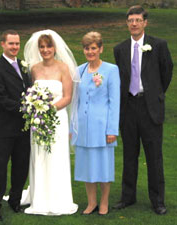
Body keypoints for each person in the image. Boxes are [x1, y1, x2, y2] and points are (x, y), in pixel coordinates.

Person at [113, 5, 173, 215]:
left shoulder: (159, 45)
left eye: (138, 20)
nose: (134, 23)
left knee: (154, 156)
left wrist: (155, 94)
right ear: (127, 23)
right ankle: (128, 197)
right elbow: (120, 79)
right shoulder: (119, 49)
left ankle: (157, 200)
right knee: (130, 154)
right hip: (128, 108)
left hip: (150, 108)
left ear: (145, 22)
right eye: (131, 20)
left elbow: (166, 73)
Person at [22, 29, 78, 215]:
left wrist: (49, 110)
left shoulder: (63, 68)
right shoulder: (34, 69)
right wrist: (36, 109)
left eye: (48, 46)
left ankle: (58, 198)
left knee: (56, 156)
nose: (45, 50)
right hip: (38, 121)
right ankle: (39, 196)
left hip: (56, 119)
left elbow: (68, 97)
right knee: (39, 155)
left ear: (55, 48)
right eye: (42, 47)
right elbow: (31, 94)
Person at [70, 31, 120, 215]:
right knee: (86, 166)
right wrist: (72, 127)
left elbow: (115, 102)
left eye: (93, 48)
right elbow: (75, 101)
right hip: (83, 127)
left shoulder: (111, 70)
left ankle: (104, 202)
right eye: (86, 48)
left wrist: (112, 129)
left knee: (103, 166)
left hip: (102, 127)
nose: (90, 52)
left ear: (100, 49)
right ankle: (91, 203)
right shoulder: (79, 70)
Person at [0, 30, 31, 221]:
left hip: (24, 127)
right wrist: (26, 108)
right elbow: (0, 98)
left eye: (17, 44)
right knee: (0, 167)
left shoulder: (23, 66)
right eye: (11, 43)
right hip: (4, 126)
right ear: (2, 44)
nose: (14, 47)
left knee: (21, 165)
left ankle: (15, 200)